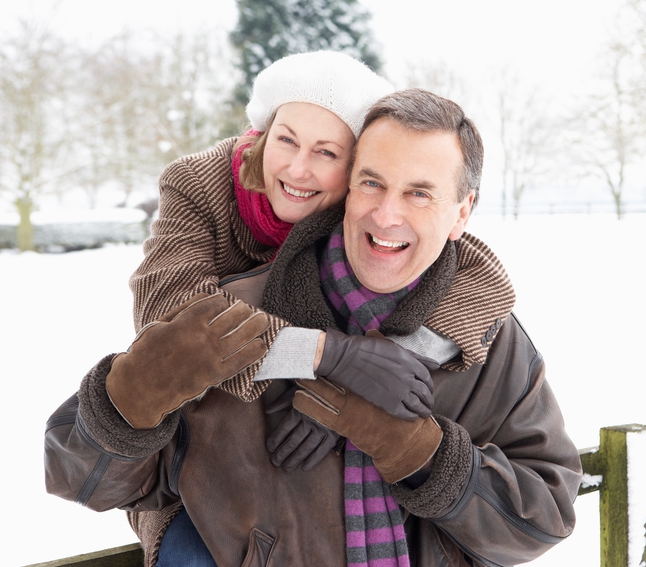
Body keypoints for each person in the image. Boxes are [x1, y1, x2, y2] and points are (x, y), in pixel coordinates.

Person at [45, 88, 582, 567]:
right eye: (372, 182)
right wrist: (130, 398)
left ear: (462, 212)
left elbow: (544, 516)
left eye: (419, 193)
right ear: (348, 186)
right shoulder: (234, 316)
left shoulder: (491, 340)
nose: (387, 214)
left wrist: (421, 453)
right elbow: (83, 478)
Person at [117, 49, 416, 565]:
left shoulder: (364, 205)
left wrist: (346, 399)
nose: (298, 168)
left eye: (326, 152)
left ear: (356, 168)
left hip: (311, 473)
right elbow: (170, 321)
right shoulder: (198, 185)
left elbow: (473, 274)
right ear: (264, 129)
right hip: (202, 460)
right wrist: (326, 358)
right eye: (287, 140)